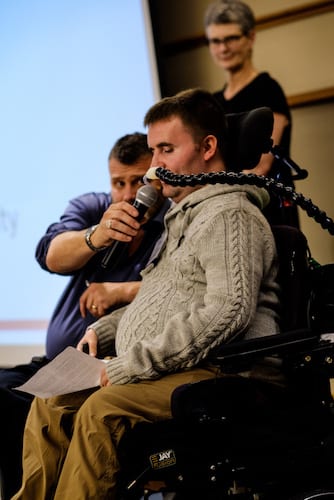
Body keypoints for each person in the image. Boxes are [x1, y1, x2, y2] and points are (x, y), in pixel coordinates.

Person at [13, 88, 282, 500]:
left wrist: (125, 367)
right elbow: (164, 299)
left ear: (208, 147)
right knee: (50, 400)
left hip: (222, 372)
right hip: (178, 366)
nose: (155, 166)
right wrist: (105, 331)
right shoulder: (182, 216)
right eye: (154, 150)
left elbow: (226, 314)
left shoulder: (230, 214)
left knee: (100, 412)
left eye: (166, 150)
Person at [0, 132, 170, 500]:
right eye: (118, 183)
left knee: (28, 410)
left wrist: (120, 290)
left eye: (139, 182)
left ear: (157, 178)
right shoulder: (95, 209)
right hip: (57, 360)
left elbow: (183, 286)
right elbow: (51, 255)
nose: (127, 195)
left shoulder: (171, 223)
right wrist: (99, 235)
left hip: (110, 366)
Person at [204, 0, 299, 228]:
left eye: (231, 38)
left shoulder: (268, 89)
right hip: (227, 212)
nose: (223, 48)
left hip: (269, 211)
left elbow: (261, 166)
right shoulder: (213, 101)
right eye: (215, 41)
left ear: (251, 38)